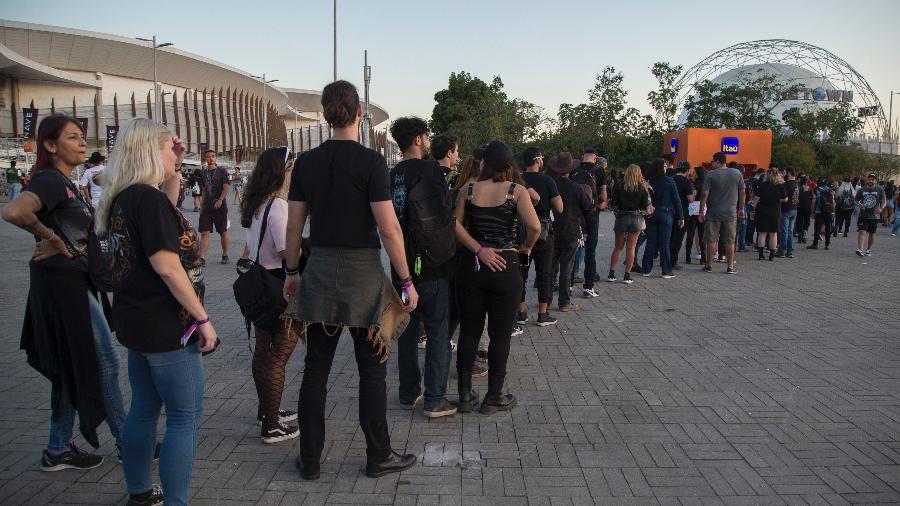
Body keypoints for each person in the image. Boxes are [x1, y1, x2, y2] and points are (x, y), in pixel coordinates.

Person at [282, 80, 418, 480]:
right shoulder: (372, 163)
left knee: (316, 367)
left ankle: (310, 460)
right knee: (372, 369)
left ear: (326, 114)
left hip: (320, 270)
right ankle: (379, 456)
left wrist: (292, 272)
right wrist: (406, 281)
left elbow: (293, 227)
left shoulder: (306, 162)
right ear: (360, 112)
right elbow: (389, 230)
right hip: (362, 275)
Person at [95, 118, 216, 506]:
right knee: (184, 417)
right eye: (168, 149)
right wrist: (202, 317)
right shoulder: (146, 201)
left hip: (137, 321)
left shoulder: (125, 196)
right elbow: (167, 266)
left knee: (144, 409)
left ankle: (140, 492)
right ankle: (176, 501)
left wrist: (176, 169)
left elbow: (165, 205)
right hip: (168, 326)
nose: (174, 155)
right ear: (150, 151)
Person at [2, 114, 128, 474]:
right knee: (106, 361)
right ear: (50, 144)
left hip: (70, 282)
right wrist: (49, 236)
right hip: (63, 286)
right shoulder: (50, 181)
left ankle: (58, 448)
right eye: (72, 137)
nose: (81, 143)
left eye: (82, 137)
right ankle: (128, 441)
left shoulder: (64, 182)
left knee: (69, 365)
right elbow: (14, 210)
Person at [453, 140, 540, 415]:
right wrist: (526, 246)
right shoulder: (517, 191)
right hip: (506, 264)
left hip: (473, 265)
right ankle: (494, 396)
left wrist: (478, 249)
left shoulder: (467, 190)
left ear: (484, 163)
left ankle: (465, 396)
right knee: (500, 335)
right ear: (509, 164)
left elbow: (454, 224)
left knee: (469, 331)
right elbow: (535, 226)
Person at [388, 117, 458, 419]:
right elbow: (443, 214)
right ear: (418, 139)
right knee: (437, 331)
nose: (428, 139)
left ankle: (408, 393)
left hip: (400, 265)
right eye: (426, 135)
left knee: (406, 329)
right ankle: (435, 399)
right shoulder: (431, 170)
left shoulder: (391, 175)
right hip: (431, 265)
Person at [238, 146, 301, 443]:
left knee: (264, 349)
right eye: (291, 167)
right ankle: (272, 424)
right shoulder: (278, 205)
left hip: (259, 282)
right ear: (282, 171)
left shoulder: (258, 202)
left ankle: (267, 410)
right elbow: (284, 250)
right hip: (278, 282)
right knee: (281, 351)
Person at [518, 147, 562, 326]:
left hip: (522, 233)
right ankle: (543, 314)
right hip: (543, 234)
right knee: (545, 273)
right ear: (537, 160)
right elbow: (559, 208)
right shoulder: (548, 180)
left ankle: (520, 312)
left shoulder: (518, 180)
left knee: (522, 273)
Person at [547, 152, 591, 312]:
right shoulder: (576, 188)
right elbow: (587, 209)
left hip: (552, 231)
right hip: (571, 230)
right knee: (567, 267)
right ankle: (564, 302)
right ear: (571, 169)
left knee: (551, 268)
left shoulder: (550, 185)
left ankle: (546, 300)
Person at [698, 152, 745, 274]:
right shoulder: (736, 173)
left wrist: (701, 211)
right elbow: (742, 192)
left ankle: (709, 265)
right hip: (730, 213)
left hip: (713, 212)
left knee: (711, 240)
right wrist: (741, 208)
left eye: (713, 161)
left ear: (718, 161)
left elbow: (704, 194)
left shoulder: (711, 175)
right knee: (730, 241)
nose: (711, 163)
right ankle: (730, 266)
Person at [570, 148, 606, 298]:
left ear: (583, 156)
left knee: (573, 249)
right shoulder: (599, 170)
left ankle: (569, 285)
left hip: (575, 216)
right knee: (590, 250)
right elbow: (603, 196)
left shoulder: (574, 170)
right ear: (595, 157)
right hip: (591, 214)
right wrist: (599, 207)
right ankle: (588, 287)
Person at [607, 164, 650, 284]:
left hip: (621, 217)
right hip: (636, 218)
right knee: (631, 248)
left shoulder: (620, 186)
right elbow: (644, 207)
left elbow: (614, 204)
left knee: (618, 247)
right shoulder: (642, 188)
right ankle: (627, 275)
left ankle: (611, 273)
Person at [641, 159, 683, 278]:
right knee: (665, 243)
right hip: (666, 213)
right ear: (661, 168)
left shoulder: (648, 182)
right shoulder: (669, 181)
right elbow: (676, 200)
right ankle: (666, 271)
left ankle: (646, 269)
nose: (666, 168)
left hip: (651, 214)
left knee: (651, 241)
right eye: (664, 166)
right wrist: (681, 216)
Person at [198, 150, 230, 264]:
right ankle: (202, 258)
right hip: (207, 207)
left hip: (219, 207)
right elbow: (204, 190)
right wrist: (201, 207)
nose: (211, 158)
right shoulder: (203, 173)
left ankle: (225, 254)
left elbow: (226, 187)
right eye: (208, 157)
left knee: (222, 232)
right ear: (205, 159)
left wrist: (221, 200)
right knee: (204, 232)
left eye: (213, 156)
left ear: (215, 158)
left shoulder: (222, 171)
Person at [752, 168, 787, 261]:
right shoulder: (780, 186)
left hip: (762, 210)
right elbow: (786, 199)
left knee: (762, 233)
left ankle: (761, 254)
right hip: (775, 211)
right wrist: (779, 200)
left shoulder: (763, 185)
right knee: (773, 233)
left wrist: (753, 206)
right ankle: (772, 255)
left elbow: (756, 199)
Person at [669, 161, 695, 269]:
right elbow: (690, 199)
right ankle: (673, 261)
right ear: (687, 170)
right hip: (682, 213)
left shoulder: (670, 179)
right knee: (678, 238)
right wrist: (694, 194)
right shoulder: (686, 182)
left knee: (669, 237)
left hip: (670, 211)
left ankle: (665, 259)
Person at [854, 173, 886, 257]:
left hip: (874, 216)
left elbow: (884, 201)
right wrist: (859, 205)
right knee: (862, 231)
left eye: (873, 179)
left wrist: (881, 208)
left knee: (872, 233)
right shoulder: (862, 190)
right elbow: (855, 200)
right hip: (863, 215)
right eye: (870, 179)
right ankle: (860, 249)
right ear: (867, 180)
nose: (871, 181)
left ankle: (868, 249)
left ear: (876, 181)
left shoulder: (880, 189)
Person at [684, 167, 705, 264]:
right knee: (702, 234)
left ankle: (688, 257)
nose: (692, 174)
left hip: (692, 210)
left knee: (690, 234)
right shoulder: (705, 184)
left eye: (694, 172)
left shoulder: (692, 184)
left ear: (697, 174)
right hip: (703, 209)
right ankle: (703, 258)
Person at [807, 178, 835, 250]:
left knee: (817, 228)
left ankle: (815, 244)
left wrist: (813, 212)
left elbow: (814, 200)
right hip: (828, 211)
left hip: (819, 211)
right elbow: (833, 201)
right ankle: (827, 244)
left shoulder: (817, 189)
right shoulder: (830, 190)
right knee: (828, 228)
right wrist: (832, 211)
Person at [796, 176, 814, 243]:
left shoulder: (799, 188)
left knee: (799, 221)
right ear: (807, 181)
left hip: (800, 206)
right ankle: (804, 233)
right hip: (808, 207)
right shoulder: (810, 189)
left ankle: (800, 234)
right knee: (807, 221)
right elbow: (812, 198)